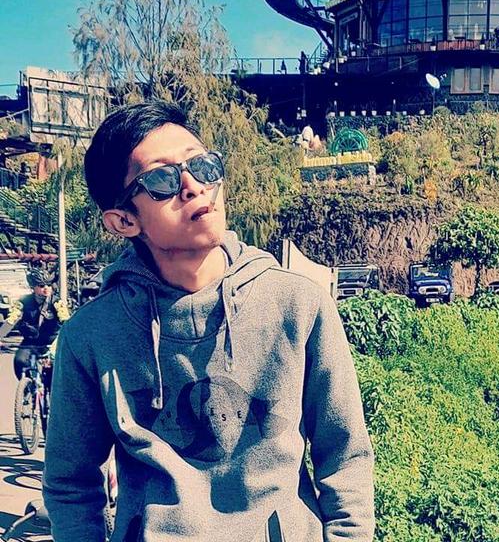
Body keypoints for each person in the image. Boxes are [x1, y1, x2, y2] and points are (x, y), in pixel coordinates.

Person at [43, 101, 374, 542]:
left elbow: (346, 456)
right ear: (123, 220)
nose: (193, 186)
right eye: (161, 179)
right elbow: (71, 485)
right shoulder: (91, 336)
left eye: (201, 166)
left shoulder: (298, 304)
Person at [0, 267, 69, 385]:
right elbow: (12, 320)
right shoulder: (23, 302)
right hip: (30, 341)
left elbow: (66, 321)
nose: (46, 288)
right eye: (41, 286)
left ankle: (50, 391)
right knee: (19, 361)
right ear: (33, 287)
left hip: (51, 342)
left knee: (52, 369)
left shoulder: (57, 302)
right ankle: (29, 386)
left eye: (48, 285)